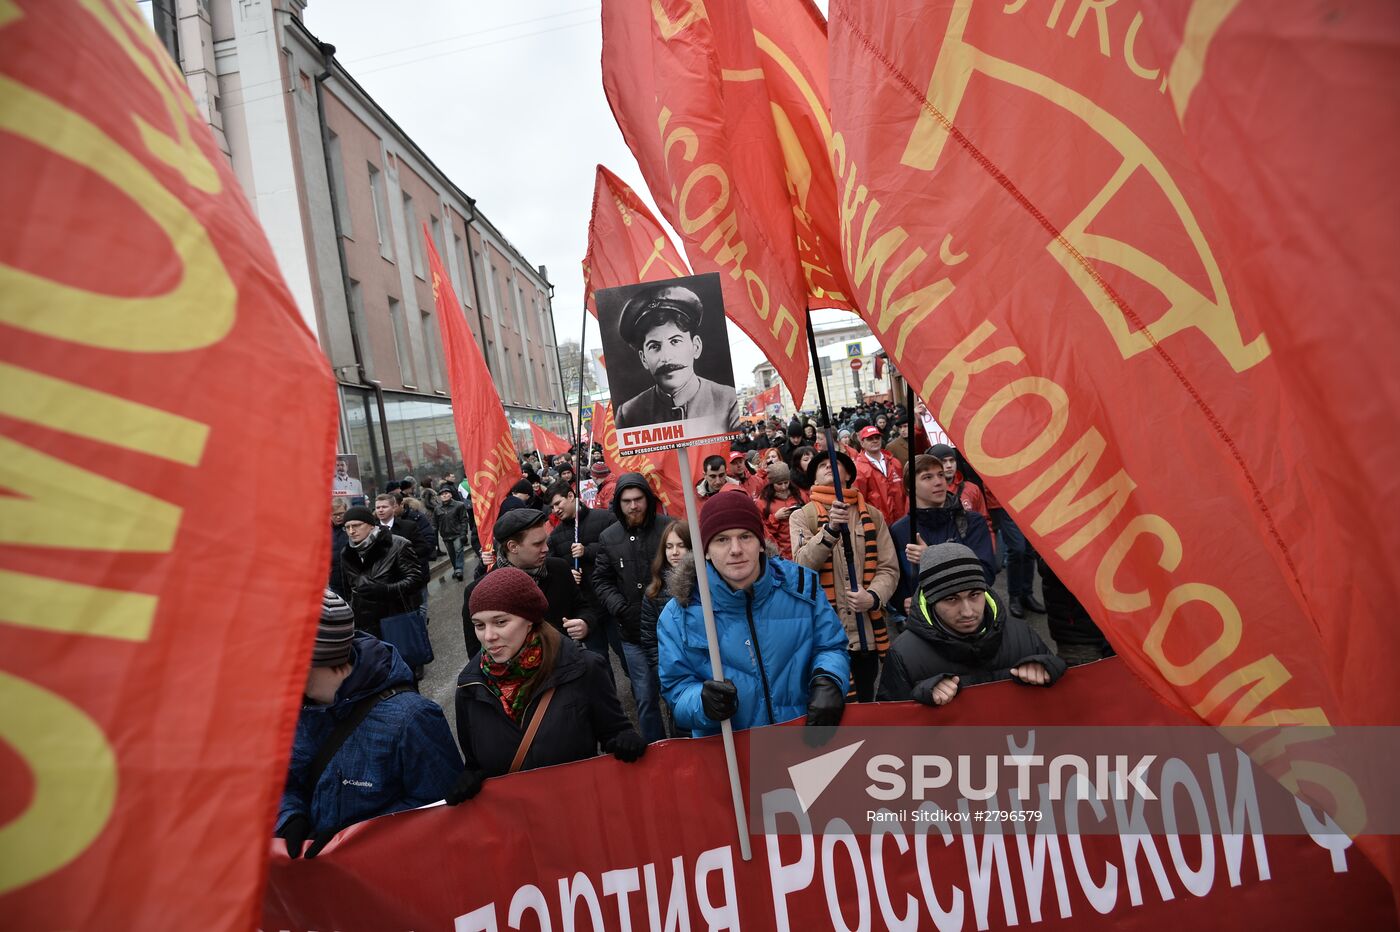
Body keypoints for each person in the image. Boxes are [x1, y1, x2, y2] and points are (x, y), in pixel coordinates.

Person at [276, 590, 461, 858]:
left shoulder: (412, 718)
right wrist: (291, 817)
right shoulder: (296, 714)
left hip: (395, 882)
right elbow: (286, 780)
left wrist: (352, 837)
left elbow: (443, 813)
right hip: (328, 882)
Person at [658, 491, 850, 736]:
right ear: (705, 551)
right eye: (722, 540)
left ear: (760, 542)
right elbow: (676, 689)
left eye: (745, 536)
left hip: (804, 740)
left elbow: (831, 647)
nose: (736, 549)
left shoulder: (803, 587)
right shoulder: (678, 615)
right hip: (732, 756)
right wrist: (702, 703)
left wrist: (830, 680)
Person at [447, 568, 645, 804]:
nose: (489, 636)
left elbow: (615, 731)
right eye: (479, 625)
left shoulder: (583, 668)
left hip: (577, 816)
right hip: (517, 830)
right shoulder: (470, 687)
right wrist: (472, 777)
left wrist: (625, 741)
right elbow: (475, 762)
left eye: (500, 622)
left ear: (529, 619)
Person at [877, 543, 1066, 704]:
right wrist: (920, 697)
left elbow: (1062, 703)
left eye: (974, 595)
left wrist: (1049, 667)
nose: (967, 611)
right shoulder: (904, 654)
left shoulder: (1022, 634)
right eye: (952, 599)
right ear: (931, 600)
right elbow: (890, 729)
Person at [790, 451, 900, 703]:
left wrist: (872, 597)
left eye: (836, 463)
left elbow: (889, 568)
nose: (829, 466)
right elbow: (802, 565)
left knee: (865, 699)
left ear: (848, 474)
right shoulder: (802, 516)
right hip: (825, 635)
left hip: (866, 636)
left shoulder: (872, 515)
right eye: (822, 465)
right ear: (813, 476)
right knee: (832, 704)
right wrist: (829, 531)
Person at [593, 473, 674, 743]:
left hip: (670, 631)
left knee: (676, 692)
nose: (633, 506)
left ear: (648, 500)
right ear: (618, 504)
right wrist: (620, 607)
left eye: (638, 499)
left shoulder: (668, 528)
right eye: (626, 501)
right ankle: (656, 748)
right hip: (632, 634)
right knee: (645, 697)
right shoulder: (608, 537)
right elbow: (601, 580)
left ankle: (682, 744)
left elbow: (683, 571)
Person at [462, 509, 593, 655]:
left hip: (565, 662)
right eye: (537, 544)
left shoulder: (559, 568)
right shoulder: (478, 591)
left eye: (545, 541)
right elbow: (476, 654)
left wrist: (584, 623)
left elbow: (583, 606)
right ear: (513, 547)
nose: (546, 549)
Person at [614, 283, 740, 435]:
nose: (666, 357)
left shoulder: (728, 400)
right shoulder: (628, 414)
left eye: (675, 341)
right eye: (654, 346)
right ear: (643, 359)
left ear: (696, 347)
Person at [889, 455, 997, 615]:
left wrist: (932, 557)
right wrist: (902, 602)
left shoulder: (972, 522)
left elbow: (986, 574)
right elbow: (896, 580)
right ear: (910, 487)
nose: (939, 481)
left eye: (940, 475)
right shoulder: (900, 530)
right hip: (925, 624)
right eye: (927, 477)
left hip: (970, 616)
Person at [339, 505, 425, 638]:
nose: (351, 531)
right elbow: (348, 589)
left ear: (371, 525)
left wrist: (385, 589)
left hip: (395, 618)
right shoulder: (347, 553)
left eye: (356, 525)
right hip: (364, 625)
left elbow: (416, 580)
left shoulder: (397, 544)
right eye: (347, 527)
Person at [853, 425, 907, 523]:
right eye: (870, 439)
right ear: (862, 443)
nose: (875, 441)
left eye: (877, 437)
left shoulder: (895, 463)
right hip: (878, 524)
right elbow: (860, 501)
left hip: (901, 520)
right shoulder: (858, 468)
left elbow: (904, 493)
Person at [755, 463, 805, 559]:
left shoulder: (800, 495)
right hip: (780, 553)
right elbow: (761, 529)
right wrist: (775, 518)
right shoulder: (762, 502)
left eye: (786, 482)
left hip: (802, 547)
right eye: (779, 484)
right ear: (771, 483)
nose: (783, 487)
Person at [434, 484, 472, 581]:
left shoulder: (459, 505)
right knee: (452, 554)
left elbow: (464, 520)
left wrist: (464, 533)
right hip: (445, 535)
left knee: (459, 551)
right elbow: (435, 523)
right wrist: (434, 536)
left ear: (450, 495)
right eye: (442, 494)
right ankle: (456, 569)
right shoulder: (437, 508)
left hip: (457, 533)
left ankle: (459, 569)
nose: (444, 495)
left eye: (446, 493)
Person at [328, 496, 349, 597]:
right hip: (335, 581)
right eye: (334, 515)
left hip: (353, 579)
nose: (338, 517)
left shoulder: (353, 526)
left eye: (341, 514)